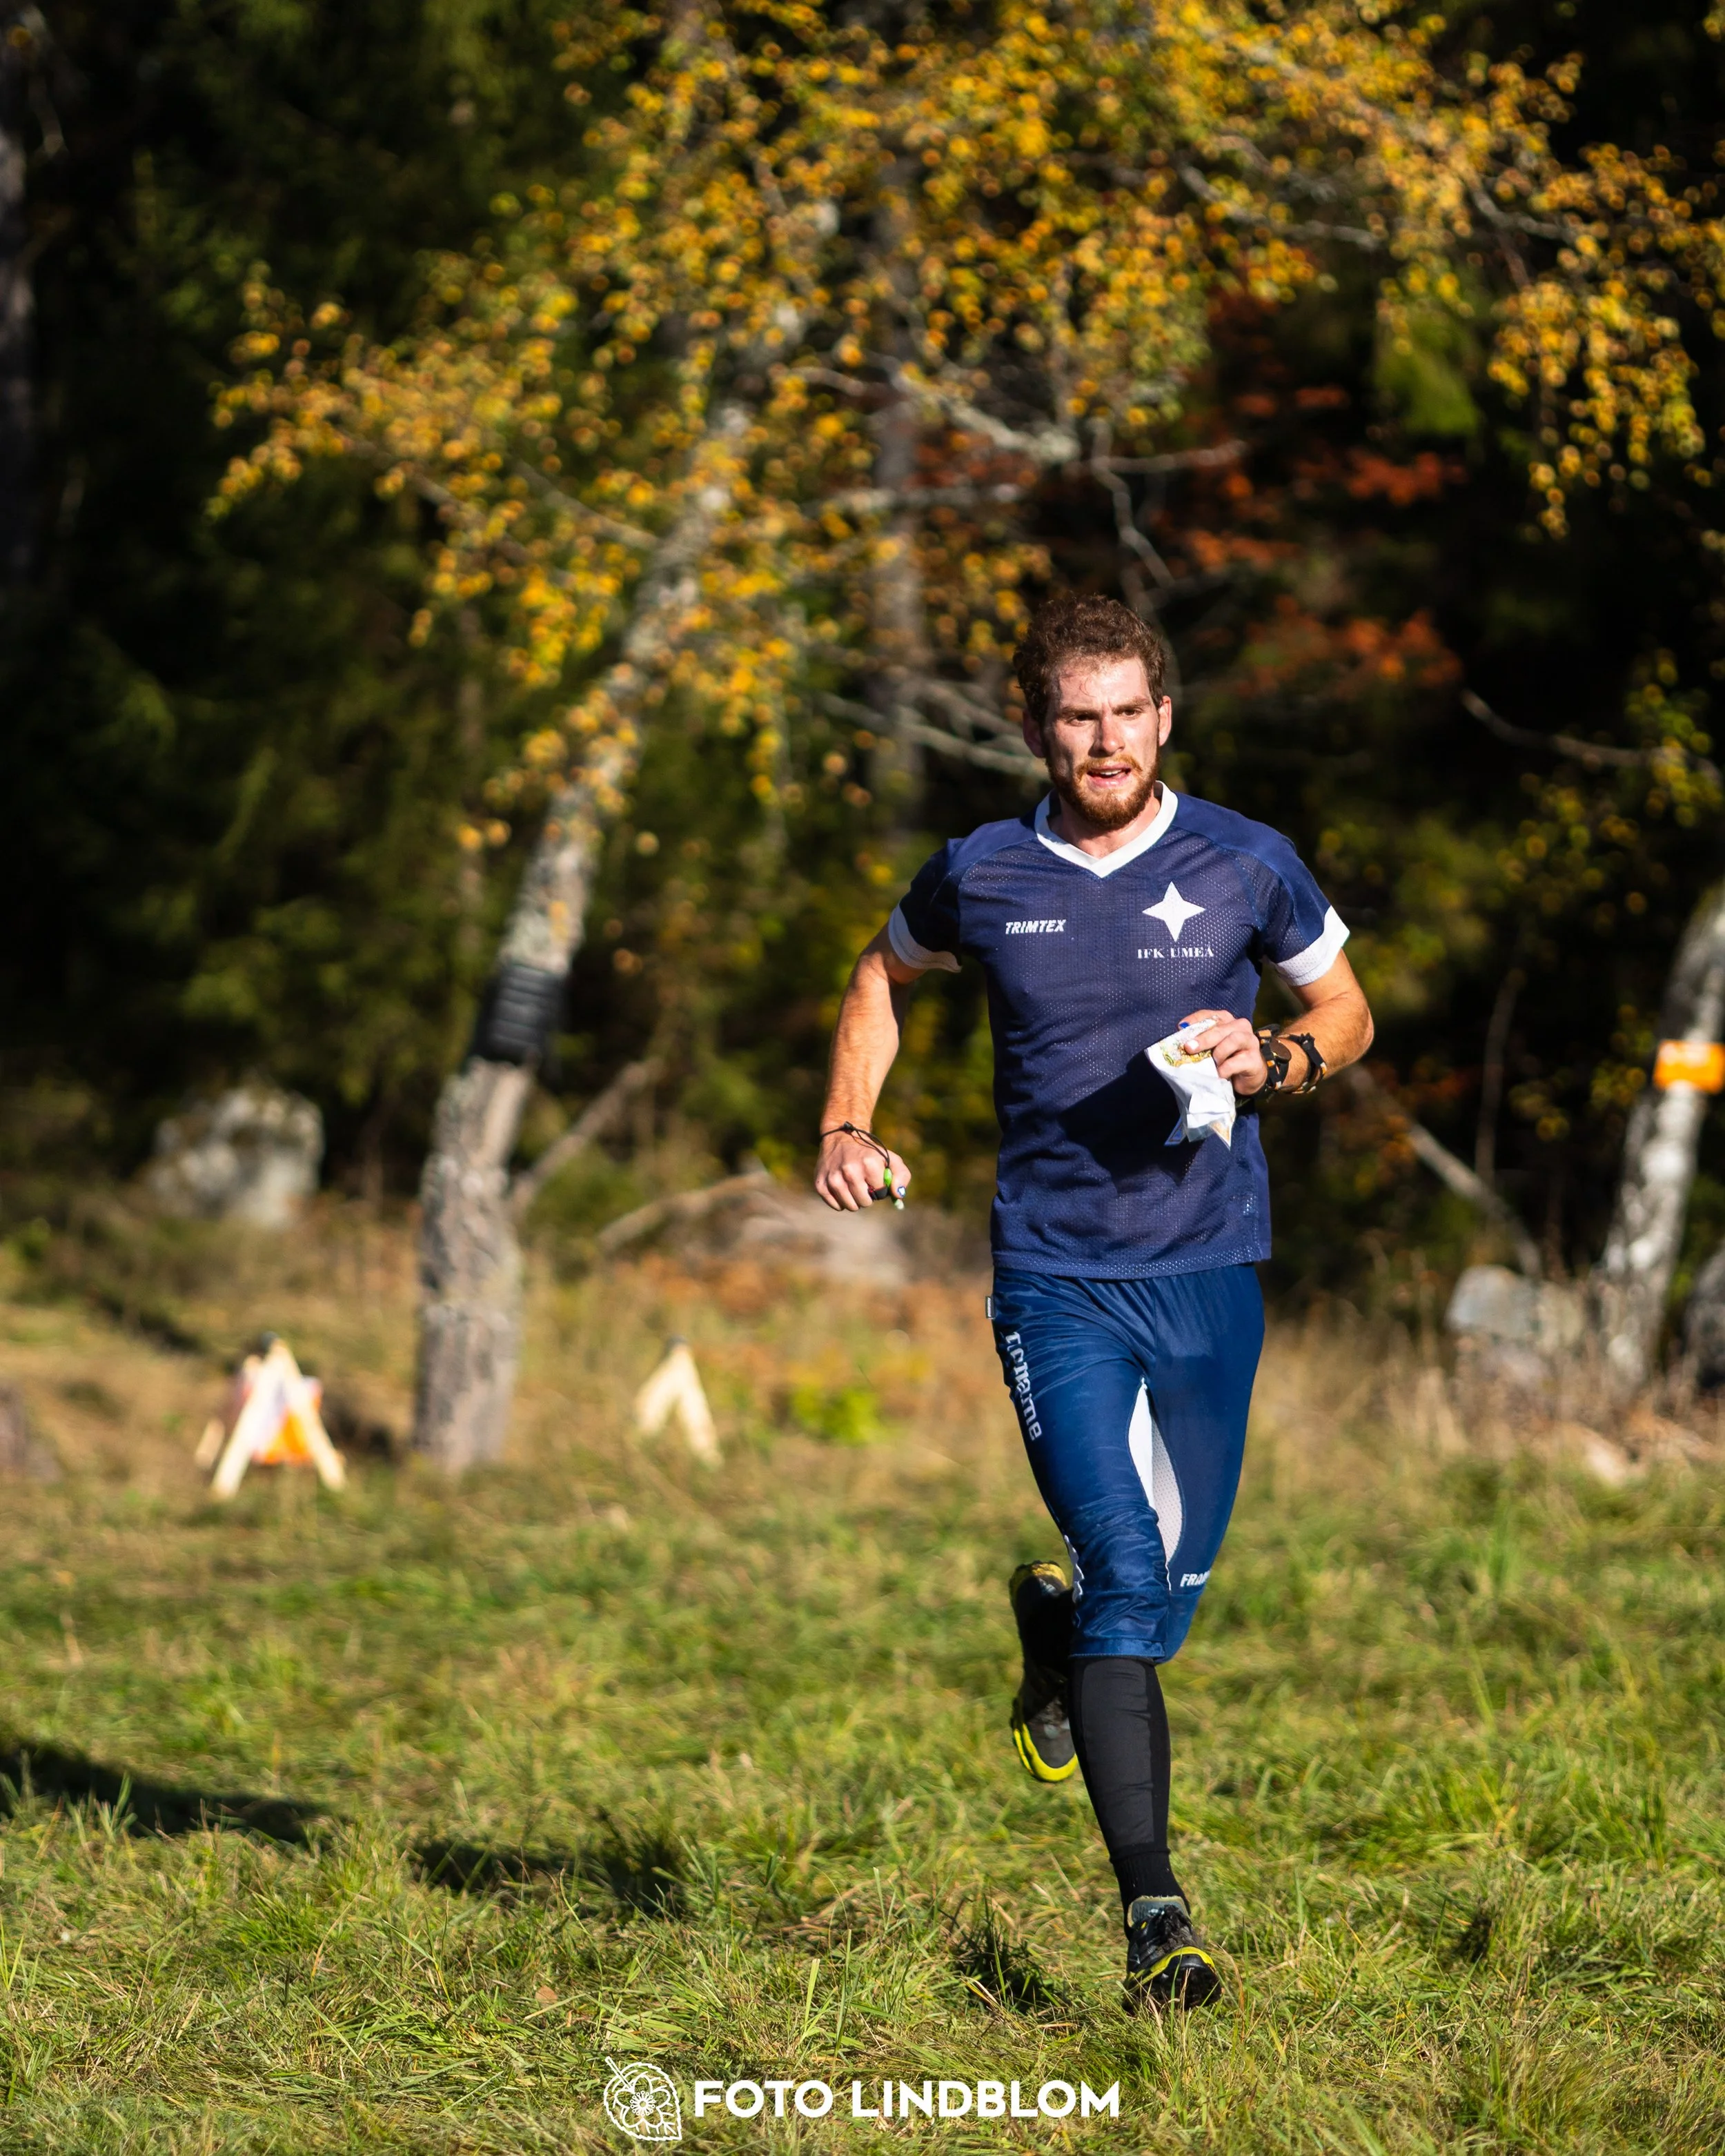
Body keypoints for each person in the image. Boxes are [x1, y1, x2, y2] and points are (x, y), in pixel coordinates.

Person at [814, 593, 1372, 2011]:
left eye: (1127, 710)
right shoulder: (982, 870)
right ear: (1034, 727)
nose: (1103, 738)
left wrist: (1280, 1062)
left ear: (1163, 717)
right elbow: (880, 972)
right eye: (1076, 714)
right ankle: (1155, 1917)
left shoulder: (1246, 860)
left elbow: (1345, 1009)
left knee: (1161, 1606)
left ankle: (1054, 1645)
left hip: (1206, 1268)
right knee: (1125, 1568)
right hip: (1050, 1272)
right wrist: (843, 1122)